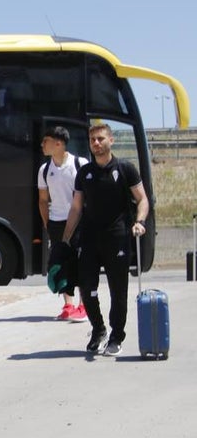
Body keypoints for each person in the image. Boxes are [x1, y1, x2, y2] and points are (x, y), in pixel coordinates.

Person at [62, 123, 150, 356]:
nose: (96, 143)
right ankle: (98, 329)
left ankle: (116, 336)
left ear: (111, 140)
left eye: (100, 139)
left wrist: (140, 222)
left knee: (118, 291)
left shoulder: (125, 168)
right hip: (90, 238)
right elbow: (76, 208)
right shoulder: (84, 173)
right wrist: (65, 240)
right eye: (92, 140)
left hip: (117, 237)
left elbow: (142, 199)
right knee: (87, 287)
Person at [38, 126, 88, 322]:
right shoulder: (44, 170)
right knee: (60, 264)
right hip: (56, 222)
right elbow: (43, 200)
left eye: (46, 141)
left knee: (81, 262)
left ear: (58, 143)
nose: (42, 145)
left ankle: (83, 305)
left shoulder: (79, 164)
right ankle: (68, 305)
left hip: (78, 222)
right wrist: (47, 223)